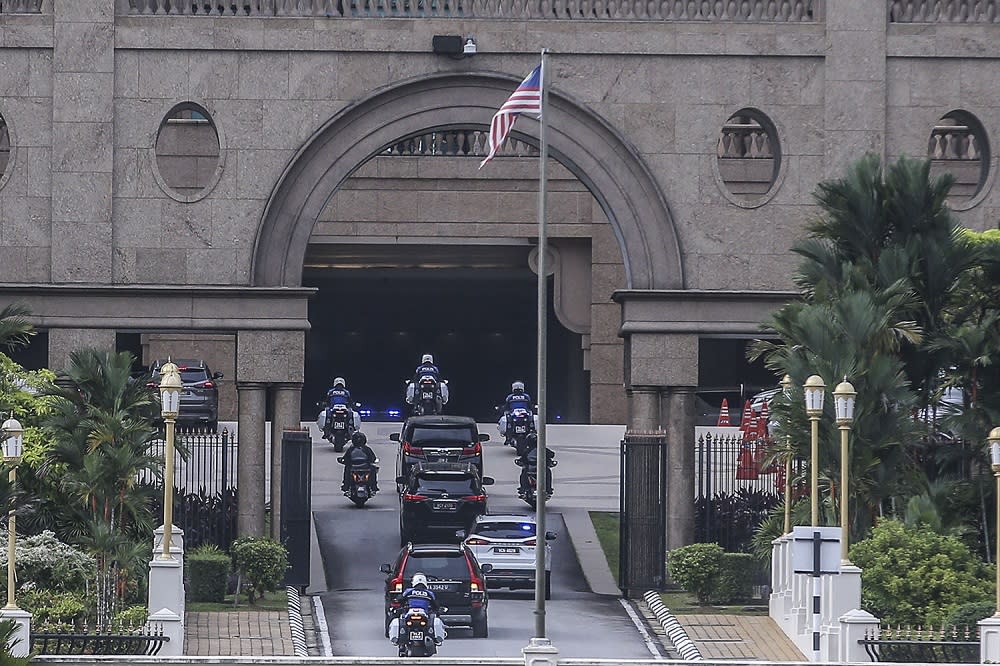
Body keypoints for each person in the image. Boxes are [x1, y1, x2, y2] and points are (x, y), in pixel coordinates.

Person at [388, 573, 446, 646]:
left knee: (400, 617)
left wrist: (397, 603)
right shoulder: (429, 593)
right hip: (423, 614)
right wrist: (437, 610)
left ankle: (400, 641)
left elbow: (400, 599)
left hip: (410, 613)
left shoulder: (408, 591)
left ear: (414, 582)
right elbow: (436, 605)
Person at [516, 433, 555, 497]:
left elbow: (522, 459)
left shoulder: (527, 451)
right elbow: (552, 454)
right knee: (547, 473)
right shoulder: (543, 449)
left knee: (524, 472)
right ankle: (548, 489)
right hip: (538, 469)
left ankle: (523, 488)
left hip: (532, 469)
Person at [497, 381, 534, 445]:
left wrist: (502, 409)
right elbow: (530, 406)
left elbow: (506, 406)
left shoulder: (510, 397)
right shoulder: (526, 396)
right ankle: (531, 431)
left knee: (509, 421)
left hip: (515, 414)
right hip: (523, 413)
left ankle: (508, 438)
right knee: (530, 419)